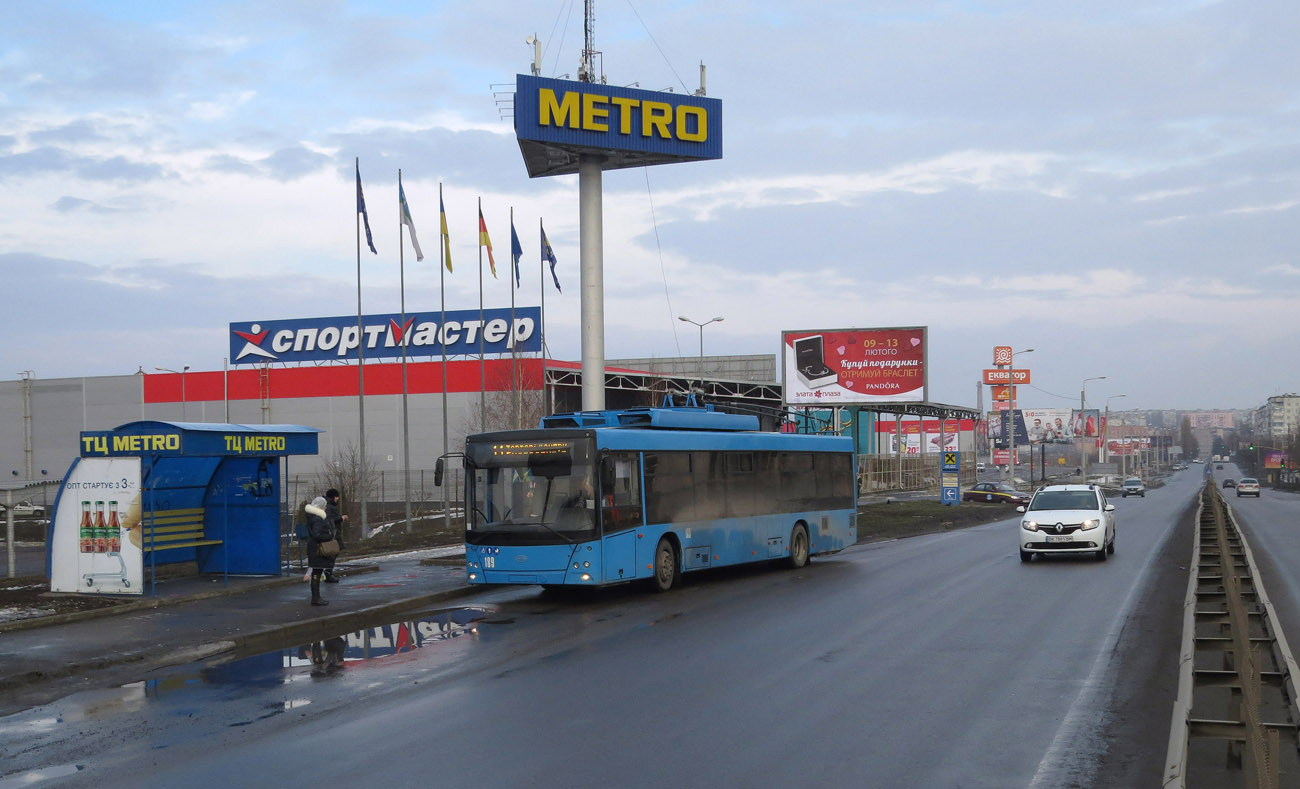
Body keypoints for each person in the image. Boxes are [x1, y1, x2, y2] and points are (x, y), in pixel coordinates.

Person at [304, 496, 333, 606]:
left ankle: (316, 597)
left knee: (317, 571)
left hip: (314, 547)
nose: (326, 508)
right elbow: (317, 534)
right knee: (317, 571)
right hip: (317, 548)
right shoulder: (318, 518)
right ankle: (316, 598)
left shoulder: (312, 517)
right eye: (324, 506)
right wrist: (328, 536)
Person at [322, 488, 347, 583]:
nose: (338, 499)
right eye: (337, 496)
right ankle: (328, 573)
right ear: (333, 497)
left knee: (333, 553)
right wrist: (341, 518)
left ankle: (328, 572)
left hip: (334, 534)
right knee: (332, 553)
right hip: (332, 535)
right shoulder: (329, 507)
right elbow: (329, 520)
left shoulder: (329, 506)